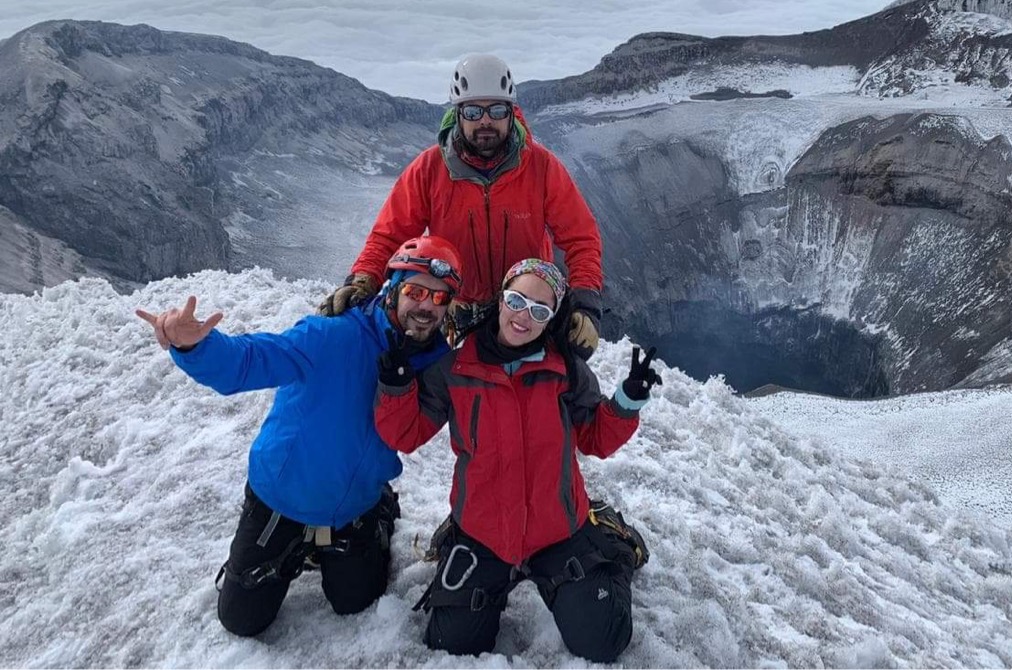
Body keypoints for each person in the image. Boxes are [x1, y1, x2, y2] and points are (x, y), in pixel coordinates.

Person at [135, 236, 462, 638]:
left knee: (356, 601)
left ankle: (378, 511)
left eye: (440, 298)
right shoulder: (330, 336)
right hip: (280, 499)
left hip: (353, 506)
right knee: (241, 619)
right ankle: (297, 545)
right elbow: (250, 360)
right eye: (415, 291)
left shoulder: (434, 364)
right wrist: (195, 347)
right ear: (391, 288)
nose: (427, 306)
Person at [374, 258, 662, 662]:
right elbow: (405, 434)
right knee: (451, 643)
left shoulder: (566, 371)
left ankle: (610, 539)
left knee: (604, 639)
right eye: (517, 300)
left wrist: (627, 400)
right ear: (501, 298)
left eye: (540, 310)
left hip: (557, 529)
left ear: (552, 318)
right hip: (484, 532)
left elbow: (595, 438)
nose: (525, 315)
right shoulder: (455, 368)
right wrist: (396, 385)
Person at [319, 54, 604, 359]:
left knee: (545, 391)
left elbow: (581, 239)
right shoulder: (429, 169)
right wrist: (364, 278)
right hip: (454, 309)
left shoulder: (541, 167)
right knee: (442, 394)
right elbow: (390, 236)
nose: (485, 121)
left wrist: (585, 303)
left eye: (496, 110)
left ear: (511, 112)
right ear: (457, 114)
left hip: (523, 309)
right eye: (472, 111)